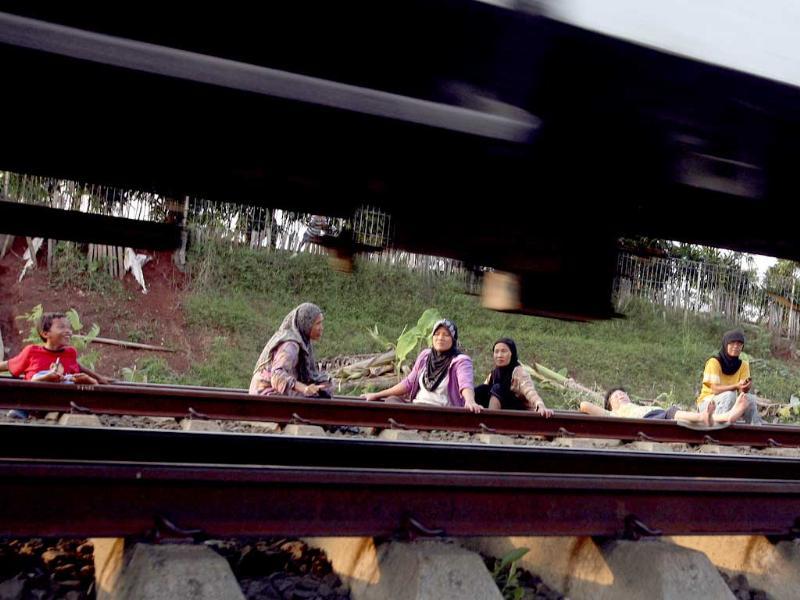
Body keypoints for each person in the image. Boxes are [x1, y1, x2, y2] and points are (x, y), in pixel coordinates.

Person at [362, 319, 481, 413]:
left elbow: (465, 384)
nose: (440, 338)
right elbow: (408, 383)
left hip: (441, 411)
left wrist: (470, 401)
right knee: (391, 401)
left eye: (446, 335)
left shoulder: (461, 361)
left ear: (453, 339)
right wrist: (377, 395)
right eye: (437, 334)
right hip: (417, 406)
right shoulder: (426, 355)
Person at [249, 302, 332, 396]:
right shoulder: (290, 346)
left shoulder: (304, 342)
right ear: (307, 324)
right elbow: (277, 375)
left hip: (279, 391)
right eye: (317, 324)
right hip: (265, 393)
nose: (321, 328)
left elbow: (310, 376)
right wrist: (304, 389)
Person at [0, 312, 107, 385]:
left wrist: (99, 379)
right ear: (45, 333)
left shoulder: (70, 353)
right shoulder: (31, 352)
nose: (68, 331)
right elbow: (8, 365)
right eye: (61, 327)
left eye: (69, 328)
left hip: (62, 402)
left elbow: (78, 368)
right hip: (33, 400)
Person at [580, 386, 750, 425]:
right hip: (653, 419)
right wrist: (609, 411)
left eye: (623, 394)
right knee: (673, 412)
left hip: (658, 414)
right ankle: (705, 416)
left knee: (688, 420)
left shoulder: (637, 406)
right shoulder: (614, 415)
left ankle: (727, 416)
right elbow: (584, 405)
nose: (620, 396)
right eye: (615, 397)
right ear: (610, 406)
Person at [696, 329, 762, 425]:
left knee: (750, 399)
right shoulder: (714, 362)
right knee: (729, 395)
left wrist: (745, 387)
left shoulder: (743, 365)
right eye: (732, 343)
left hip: (729, 403)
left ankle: (755, 433)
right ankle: (717, 429)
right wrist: (736, 386)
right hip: (708, 405)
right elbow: (715, 389)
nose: (736, 347)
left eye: (739, 344)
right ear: (725, 344)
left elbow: (742, 392)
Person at [474, 338, 553, 416]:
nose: (499, 355)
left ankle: (491, 421)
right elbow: (483, 392)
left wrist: (540, 405)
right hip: (502, 408)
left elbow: (530, 391)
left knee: (497, 389)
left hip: (519, 412)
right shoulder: (494, 373)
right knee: (482, 389)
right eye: (496, 351)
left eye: (504, 351)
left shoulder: (519, 372)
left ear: (512, 353)